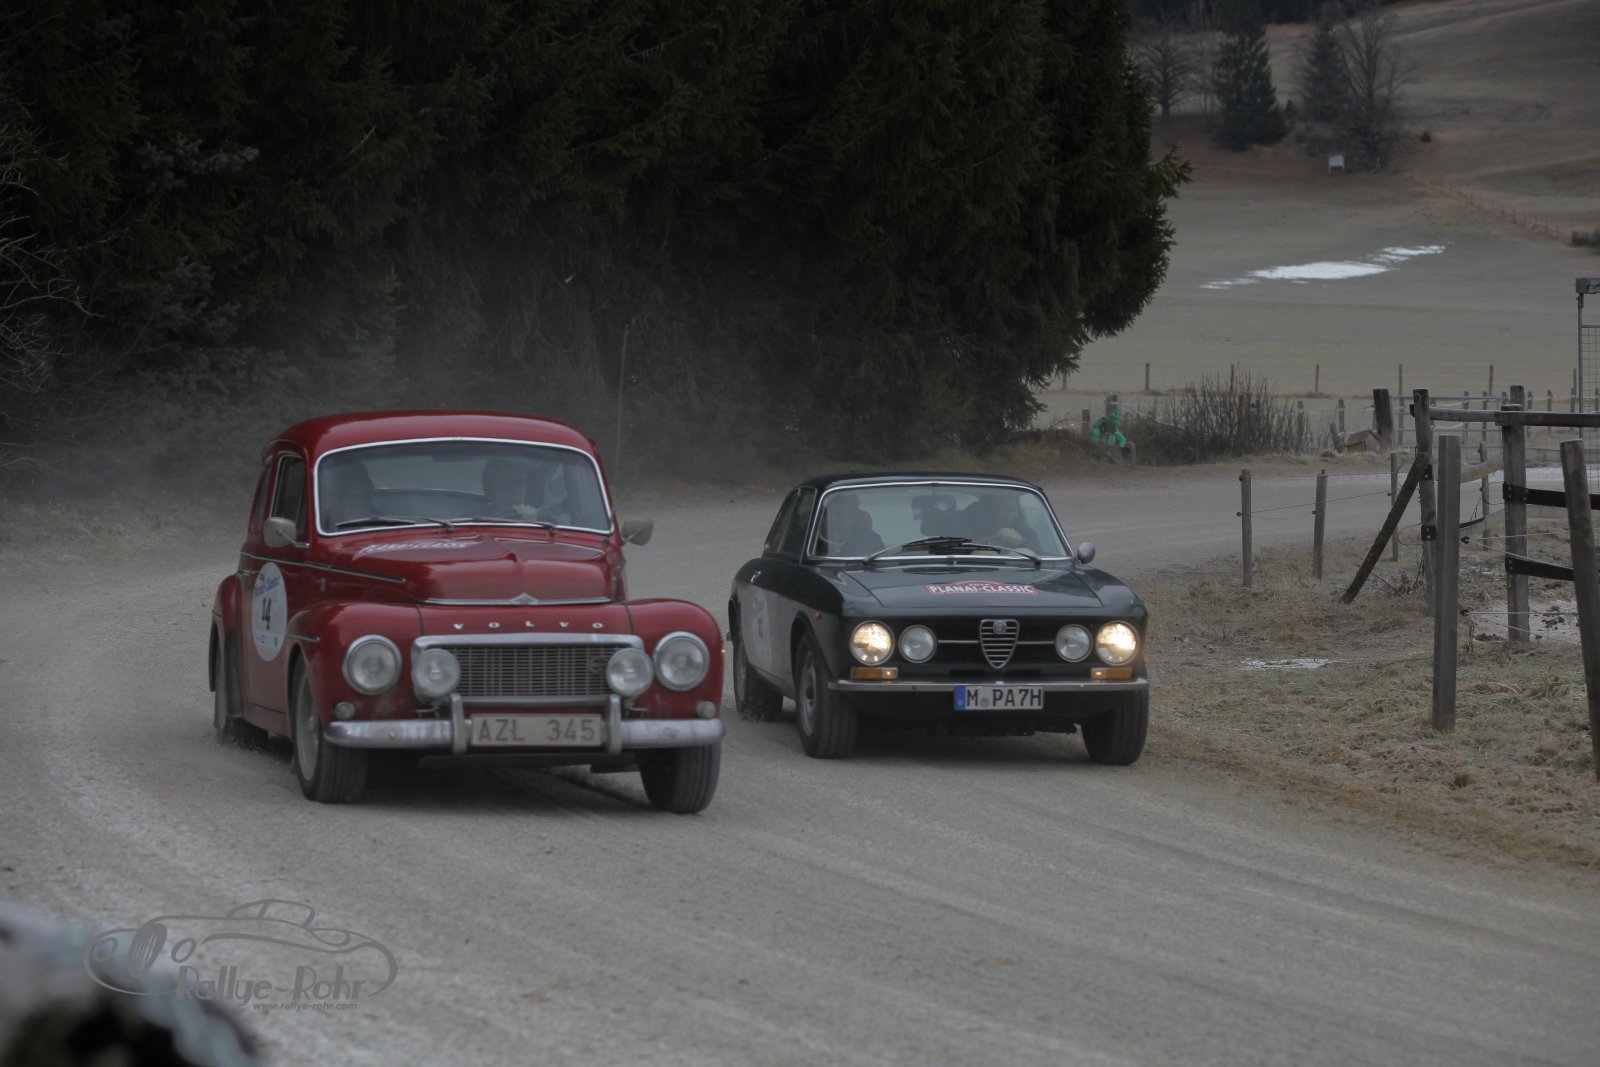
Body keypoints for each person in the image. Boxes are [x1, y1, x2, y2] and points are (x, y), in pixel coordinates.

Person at [818, 494, 884, 556]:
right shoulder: (812, 541)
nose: (844, 523)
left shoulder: (870, 540)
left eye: (849, 517)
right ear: (822, 518)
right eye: (838, 516)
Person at [321, 463, 375, 528]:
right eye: (350, 496)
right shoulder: (325, 524)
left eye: (362, 496)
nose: (357, 503)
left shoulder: (382, 524)